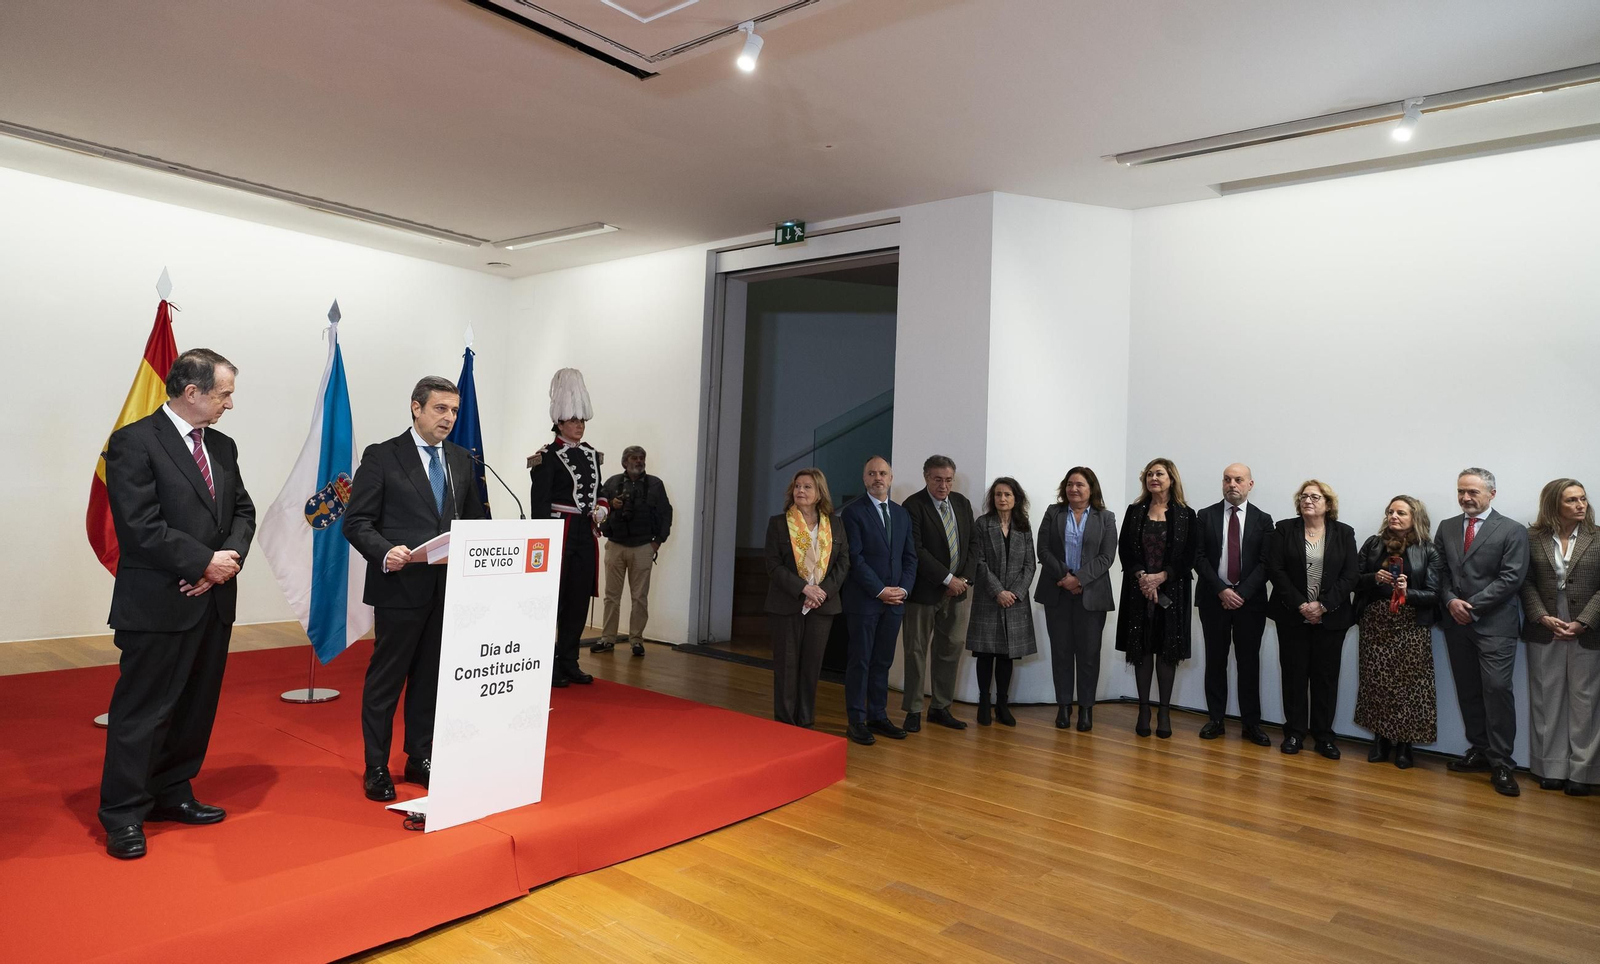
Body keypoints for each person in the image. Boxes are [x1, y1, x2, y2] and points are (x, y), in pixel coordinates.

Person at [97, 349, 255, 860]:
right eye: (224, 393)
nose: (230, 404)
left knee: (194, 707)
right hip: (158, 604)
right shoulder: (133, 442)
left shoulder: (224, 447)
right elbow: (139, 527)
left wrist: (226, 561)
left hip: (212, 601)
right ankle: (122, 814)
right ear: (193, 392)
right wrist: (201, 562)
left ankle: (172, 792)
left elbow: (243, 511)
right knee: (142, 712)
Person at [344, 375, 485, 802]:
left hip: (447, 590)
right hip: (400, 587)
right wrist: (385, 552)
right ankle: (376, 765)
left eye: (455, 411)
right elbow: (357, 522)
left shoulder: (462, 459)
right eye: (440, 409)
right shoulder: (383, 456)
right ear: (416, 407)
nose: (449, 418)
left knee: (431, 678)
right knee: (388, 679)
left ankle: (420, 757)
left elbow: (475, 521)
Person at [1429, 467, 1530, 797]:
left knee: (1497, 690)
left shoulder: (1512, 530)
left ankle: (1502, 762)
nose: (1465, 497)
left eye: (1472, 492)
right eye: (1461, 491)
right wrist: (1449, 600)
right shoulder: (1446, 527)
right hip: (1456, 624)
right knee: (1468, 689)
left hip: (1494, 625)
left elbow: (1511, 578)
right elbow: (1439, 572)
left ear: (1491, 494)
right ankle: (1480, 750)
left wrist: (1470, 606)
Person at [528, 368, 609, 689]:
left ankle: (570, 661)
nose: (579, 426)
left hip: (585, 533)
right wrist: (543, 543)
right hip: (558, 532)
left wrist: (602, 506)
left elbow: (599, 489)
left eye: (582, 421)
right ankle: (547, 665)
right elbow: (540, 504)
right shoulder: (546, 457)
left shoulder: (591, 454)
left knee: (577, 600)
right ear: (559, 422)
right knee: (554, 600)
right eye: (573, 421)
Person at [1265, 479, 1358, 760]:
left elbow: (1350, 574)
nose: (1308, 501)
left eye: (1315, 497)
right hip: (1293, 616)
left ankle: (1324, 736)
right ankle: (1294, 732)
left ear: (1328, 504)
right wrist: (1302, 605)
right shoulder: (1284, 529)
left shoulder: (1344, 533)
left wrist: (1324, 606)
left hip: (1331, 619)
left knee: (1325, 679)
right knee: (1293, 677)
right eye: (1304, 496)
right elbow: (1275, 569)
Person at [1520, 478, 1599, 796]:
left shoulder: (1598, 536)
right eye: (1571, 500)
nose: (1581, 505)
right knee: (1545, 697)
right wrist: (1540, 615)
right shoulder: (1531, 537)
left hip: (1589, 627)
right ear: (1553, 504)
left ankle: (1583, 771)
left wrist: (1583, 622)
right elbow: (1524, 582)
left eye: (1582, 499)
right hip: (1545, 625)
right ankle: (1548, 767)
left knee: (1586, 701)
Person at [1353, 496, 1441, 770]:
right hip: (1376, 622)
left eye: (1400, 512)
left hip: (1411, 624)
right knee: (1376, 683)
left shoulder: (1428, 549)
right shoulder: (1373, 544)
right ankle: (1380, 740)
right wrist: (1374, 578)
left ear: (1414, 517)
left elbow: (1433, 594)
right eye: (1390, 511)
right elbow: (1352, 579)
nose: (1393, 516)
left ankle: (1405, 745)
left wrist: (1407, 591)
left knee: (1411, 686)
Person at [1114, 458, 1198, 739]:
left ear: (1171, 478)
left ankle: (1163, 711)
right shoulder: (1135, 511)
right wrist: (1143, 578)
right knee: (1141, 648)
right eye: (1149, 474)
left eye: (1159, 474)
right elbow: (1125, 549)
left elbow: (1189, 556)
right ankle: (1143, 709)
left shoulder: (1186, 514)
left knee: (1166, 650)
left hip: (1172, 592)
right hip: (1139, 592)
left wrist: (1162, 577)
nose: (1154, 478)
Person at [1193, 463, 1274, 745]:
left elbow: (1266, 563)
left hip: (1250, 604)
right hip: (1214, 600)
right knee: (1215, 661)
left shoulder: (1264, 520)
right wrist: (1222, 591)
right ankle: (1216, 719)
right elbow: (1199, 558)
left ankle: (1251, 723)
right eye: (1227, 479)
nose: (1232, 484)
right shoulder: (1205, 516)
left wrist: (1241, 593)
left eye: (1238, 480)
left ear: (1250, 484)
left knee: (1248, 663)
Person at [763, 468, 850, 728]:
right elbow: (773, 565)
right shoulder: (778, 523)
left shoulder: (835, 524)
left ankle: (806, 722)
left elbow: (843, 563)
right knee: (787, 666)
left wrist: (822, 592)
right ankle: (785, 723)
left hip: (822, 604)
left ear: (819, 492)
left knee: (811, 667)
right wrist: (804, 588)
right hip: (788, 603)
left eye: (807, 487)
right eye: (797, 486)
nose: (800, 491)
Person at [840, 456, 917, 746]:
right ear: (864, 478)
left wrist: (903, 590)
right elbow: (855, 560)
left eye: (882, 473)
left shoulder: (901, 514)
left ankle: (878, 714)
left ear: (891, 477)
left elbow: (910, 557)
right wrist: (881, 590)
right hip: (865, 601)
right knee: (860, 660)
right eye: (871, 473)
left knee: (883, 661)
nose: (877, 478)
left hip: (895, 602)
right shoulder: (853, 513)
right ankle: (856, 720)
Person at [900, 455, 978, 731]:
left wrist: (964, 579)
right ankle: (913, 710)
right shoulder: (913, 505)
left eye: (948, 480)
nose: (943, 485)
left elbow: (973, 544)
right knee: (916, 651)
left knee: (950, 649)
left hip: (957, 592)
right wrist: (947, 579)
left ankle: (940, 707)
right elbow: (917, 550)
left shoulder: (962, 503)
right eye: (937, 479)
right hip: (924, 592)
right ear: (926, 478)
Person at [1036, 467, 1117, 731]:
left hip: (1091, 596)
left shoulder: (1106, 517)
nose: (1074, 489)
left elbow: (1107, 557)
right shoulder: (1053, 512)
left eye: (1080, 484)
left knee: (1089, 655)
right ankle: (1063, 708)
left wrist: (1079, 579)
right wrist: (1066, 577)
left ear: (1091, 488)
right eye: (1070, 484)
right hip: (1057, 592)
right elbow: (1043, 549)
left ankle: (1085, 710)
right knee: (1060, 653)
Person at [968, 478, 1037, 727]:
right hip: (989, 598)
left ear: (1015, 498)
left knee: (1008, 656)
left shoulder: (1023, 525)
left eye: (1007, 494)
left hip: (1015, 602)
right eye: (998, 494)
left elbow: (1030, 564)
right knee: (986, 654)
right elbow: (979, 562)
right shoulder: (982, 524)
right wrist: (998, 591)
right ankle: (984, 703)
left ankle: (1003, 705)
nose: (1002, 499)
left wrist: (1015, 592)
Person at [595, 445, 672, 657]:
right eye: (634, 458)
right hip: (616, 545)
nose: (639, 461)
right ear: (624, 462)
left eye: (641, 458)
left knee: (639, 597)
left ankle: (636, 640)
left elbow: (666, 513)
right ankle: (607, 638)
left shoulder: (655, 485)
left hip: (643, 547)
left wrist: (657, 542)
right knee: (612, 596)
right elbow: (598, 510)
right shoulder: (612, 483)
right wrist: (612, 504)